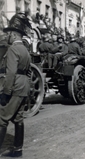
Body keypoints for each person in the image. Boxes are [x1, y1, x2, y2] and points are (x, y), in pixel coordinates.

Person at [0, 13, 32, 157]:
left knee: (2, 119)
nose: (7, 36)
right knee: (18, 118)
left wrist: (6, 92)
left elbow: (11, 73)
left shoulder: (13, 49)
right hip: (24, 86)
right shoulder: (26, 50)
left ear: (14, 34)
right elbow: (29, 71)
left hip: (14, 86)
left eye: (8, 34)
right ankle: (18, 150)